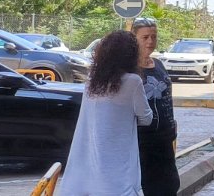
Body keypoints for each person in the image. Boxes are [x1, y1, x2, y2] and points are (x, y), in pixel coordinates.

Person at [57, 31, 153, 196]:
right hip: (118, 170)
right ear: (130, 55)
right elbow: (146, 118)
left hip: (87, 167)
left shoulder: (91, 83)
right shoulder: (133, 82)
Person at [131, 18, 180, 196]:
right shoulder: (130, 70)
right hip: (142, 140)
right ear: (134, 38)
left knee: (170, 184)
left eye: (154, 36)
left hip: (164, 138)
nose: (150, 41)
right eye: (145, 37)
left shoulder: (158, 64)